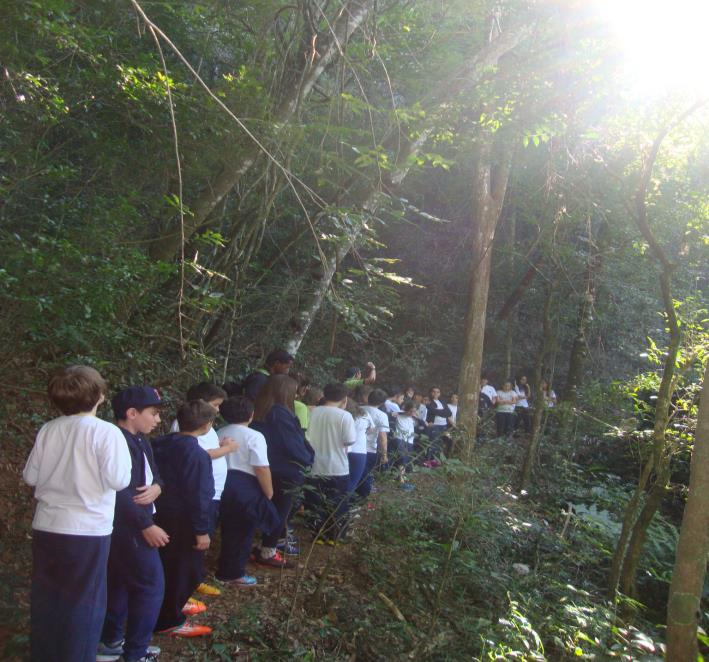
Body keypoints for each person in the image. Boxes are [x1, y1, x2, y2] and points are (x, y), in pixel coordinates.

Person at [23, 366, 132, 662]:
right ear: (99, 396)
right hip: (88, 530)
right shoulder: (106, 432)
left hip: (47, 526)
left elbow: (32, 476)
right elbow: (119, 480)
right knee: (84, 604)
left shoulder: (49, 428)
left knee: (47, 600)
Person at [98, 387, 167, 662]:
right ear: (131, 413)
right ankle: (135, 654)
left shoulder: (141, 440)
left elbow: (157, 475)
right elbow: (118, 491)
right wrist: (144, 525)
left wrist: (158, 488)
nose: (157, 420)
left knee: (120, 582)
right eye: (154, 413)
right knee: (151, 585)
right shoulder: (117, 441)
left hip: (136, 522)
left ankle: (111, 641)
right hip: (128, 526)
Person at [152, 401, 215, 637]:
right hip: (182, 520)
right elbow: (198, 494)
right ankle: (168, 618)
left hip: (157, 514)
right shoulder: (196, 455)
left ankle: (165, 606)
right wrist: (201, 530)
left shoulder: (158, 444)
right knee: (184, 570)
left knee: (163, 565)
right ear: (207, 425)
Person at [170, 382, 236, 597]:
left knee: (201, 539)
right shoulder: (183, 425)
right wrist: (226, 449)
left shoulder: (208, 425)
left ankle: (194, 579)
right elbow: (196, 455)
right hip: (199, 492)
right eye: (215, 405)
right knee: (194, 540)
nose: (218, 409)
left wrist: (221, 444)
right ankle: (185, 586)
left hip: (212, 490)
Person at [215, 397, 281, 587]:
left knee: (228, 528)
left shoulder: (219, 432)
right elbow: (261, 467)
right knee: (243, 529)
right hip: (244, 485)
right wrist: (268, 492)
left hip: (222, 482)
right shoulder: (254, 436)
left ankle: (225, 567)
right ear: (251, 415)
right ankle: (232, 573)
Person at [251, 375, 315, 563]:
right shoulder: (280, 413)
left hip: (271, 465)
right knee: (281, 510)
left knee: (274, 508)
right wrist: (307, 458)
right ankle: (268, 550)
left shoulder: (261, 410)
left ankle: (265, 546)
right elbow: (292, 443)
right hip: (287, 468)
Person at [305, 383, 357, 543]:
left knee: (315, 502)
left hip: (314, 465)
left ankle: (317, 535)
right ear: (344, 398)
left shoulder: (312, 412)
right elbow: (350, 440)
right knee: (338, 503)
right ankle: (335, 536)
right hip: (337, 467)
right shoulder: (344, 416)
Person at [359, 388, 390, 499]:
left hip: (352, 447)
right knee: (365, 476)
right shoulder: (382, 415)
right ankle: (362, 499)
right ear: (382, 403)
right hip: (369, 449)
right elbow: (382, 436)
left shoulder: (357, 409)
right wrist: (384, 454)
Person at [346, 396, 374, 495]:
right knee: (353, 480)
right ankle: (345, 504)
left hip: (343, 449)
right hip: (359, 451)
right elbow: (371, 429)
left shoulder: (343, 414)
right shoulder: (364, 414)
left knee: (342, 479)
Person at [394, 400, 416, 490]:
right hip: (401, 439)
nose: (412, 413)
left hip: (410, 440)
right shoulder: (399, 416)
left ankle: (402, 475)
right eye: (410, 411)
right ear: (406, 410)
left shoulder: (412, 418)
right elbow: (394, 413)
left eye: (414, 411)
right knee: (402, 457)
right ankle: (401, 477)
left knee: (407, 458)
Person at [425, 387, 452, 464]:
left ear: (440, 393)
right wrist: (443, 412)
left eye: (438, 392)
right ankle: (428, 461)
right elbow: (432, 410)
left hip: (444, 425)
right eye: (434, 392)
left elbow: (449, 413)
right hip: (435, 425)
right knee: (433, 443)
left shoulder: (442, 402)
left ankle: (436, 461)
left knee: (441, 443)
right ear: (431, 393)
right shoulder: (429, 402)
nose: (436, 393)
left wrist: (439, 412)